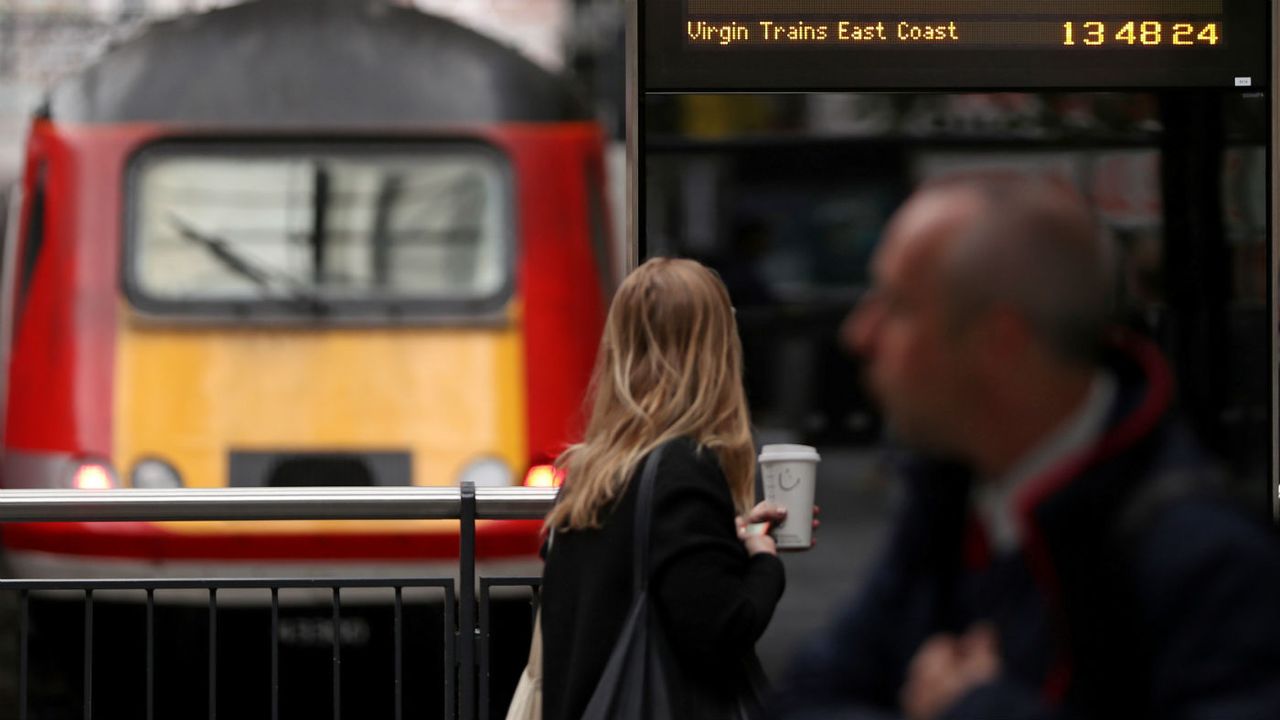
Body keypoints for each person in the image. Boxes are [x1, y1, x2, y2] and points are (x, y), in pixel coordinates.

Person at [773, 175, 1280, 719]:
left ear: (1000, 342)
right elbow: (806, 695)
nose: (858, 334)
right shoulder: (947, 498)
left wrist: (976, 710)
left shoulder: (1209, 560)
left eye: (896, 306)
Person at [539, 257, 794, 720]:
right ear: (715, 350)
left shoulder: (592, 470)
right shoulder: (683, 470)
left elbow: (648, 576)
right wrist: (764, 564)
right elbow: (721, 631)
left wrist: (729, 538)